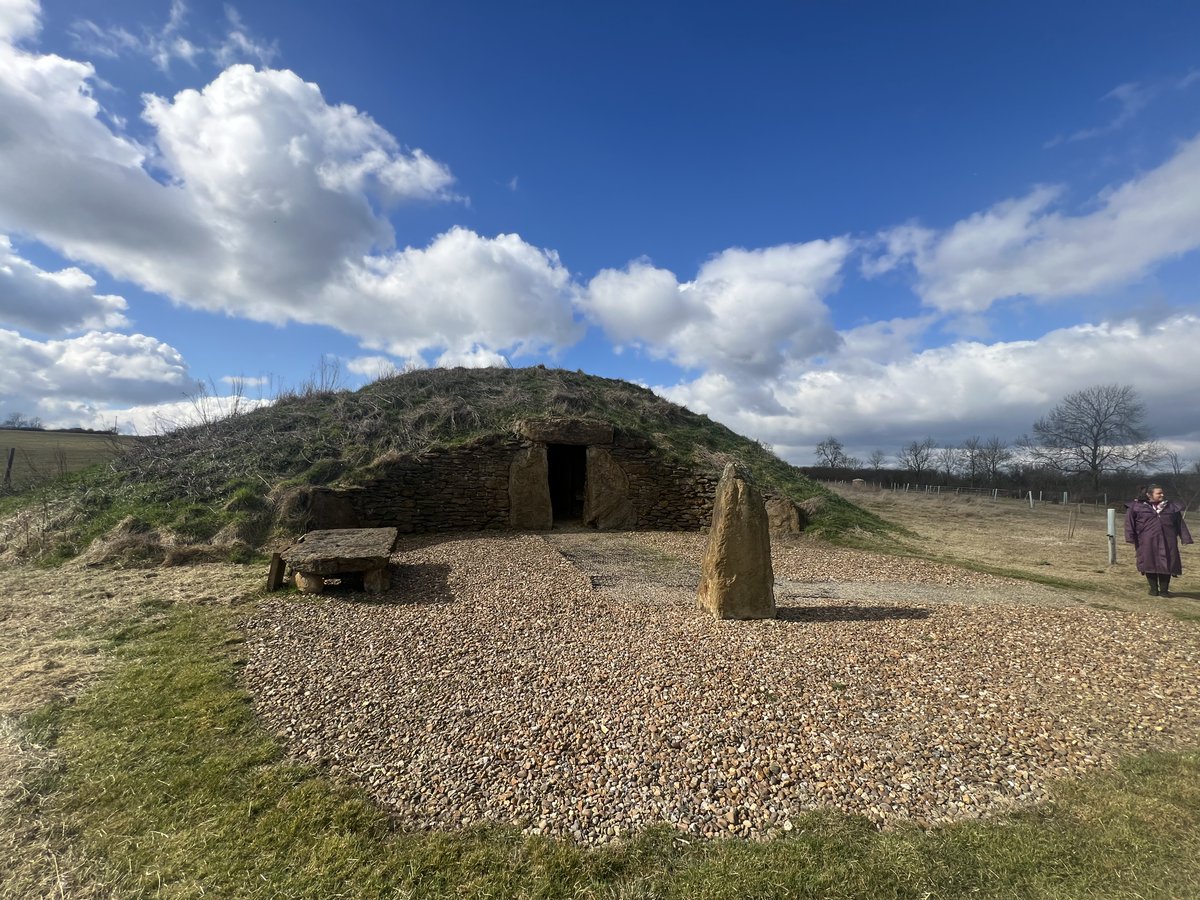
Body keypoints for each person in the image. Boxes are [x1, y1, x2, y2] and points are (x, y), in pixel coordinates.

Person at [1124, 483, 1193, 597]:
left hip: (1168, 540)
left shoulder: (1171, 507)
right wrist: (1130, 537)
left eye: (1162, 492)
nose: (1162, 495)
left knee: (1167, 563)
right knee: (1149, 562)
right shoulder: (1137, 506)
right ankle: (1153, 589)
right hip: (1146, 540)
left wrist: (1185, 537)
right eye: (1159, 493)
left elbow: (1180, 524)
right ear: (1149, 494)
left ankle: (1164, 591)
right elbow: (1129, 523)